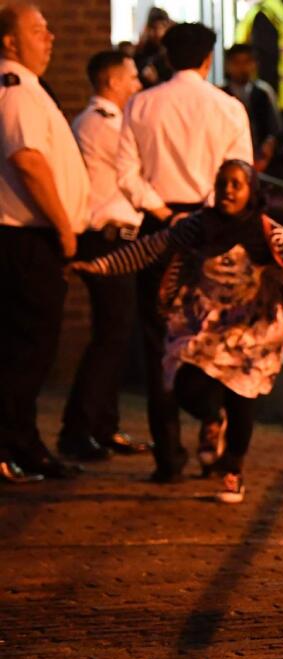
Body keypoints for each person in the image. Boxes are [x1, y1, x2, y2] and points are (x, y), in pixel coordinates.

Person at [71, 160, 283, 504]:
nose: (228, 191)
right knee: (184, 385)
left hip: (252, 331)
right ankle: (211, 417)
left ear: (251, 190)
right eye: (223, 183)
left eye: (237, 184)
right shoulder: (197, 226)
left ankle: (233, 470)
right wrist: (99, 266)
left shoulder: (267, 231)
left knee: (241, 401)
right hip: (205, 327)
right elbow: (148, 249)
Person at [117, 21, 254, 483]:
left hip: (160, 228)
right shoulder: (229, 108)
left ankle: (168, 457)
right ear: (208, 59)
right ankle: (214, 416)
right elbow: (243, 174)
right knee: (217, 333)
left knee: (160, 341)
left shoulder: (140, 104)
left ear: (168, 58)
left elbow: (126, 174)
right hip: (214, 228)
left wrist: (162, 211)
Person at [0, 2, 89, 482]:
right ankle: (15, 447)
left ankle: (21, 442)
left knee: (25, 348)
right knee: (27, 349)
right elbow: (28, 160)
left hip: (25, 239)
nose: (50, 37)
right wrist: (64, 226)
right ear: (10, 42)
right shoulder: (16, 91)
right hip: (26, 241)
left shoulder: (23, 88)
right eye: (38, 31)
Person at [58, 50, 150, 463]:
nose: (138, 83)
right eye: (131, 77)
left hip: (119, 239)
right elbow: (140, 171)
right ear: (111, 82)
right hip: (108, 240)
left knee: (115, 335)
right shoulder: (102, 124)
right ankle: (78, 429)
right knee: (110, 337)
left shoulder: (100, 121)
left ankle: (102, 426)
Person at [223, 43, 283, 176]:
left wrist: (267, 149)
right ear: (228, 65)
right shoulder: (221, 95)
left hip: (262, 163)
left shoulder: (263, 92)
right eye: (237, 63)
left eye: (247, 62)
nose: (242, 67)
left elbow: (275, 129)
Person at [133, 7, 172, 88]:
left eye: (162, 27)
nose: (158, 32)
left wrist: (156, 80)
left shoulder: (172, 52)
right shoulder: (142, 51)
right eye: (154, 27)